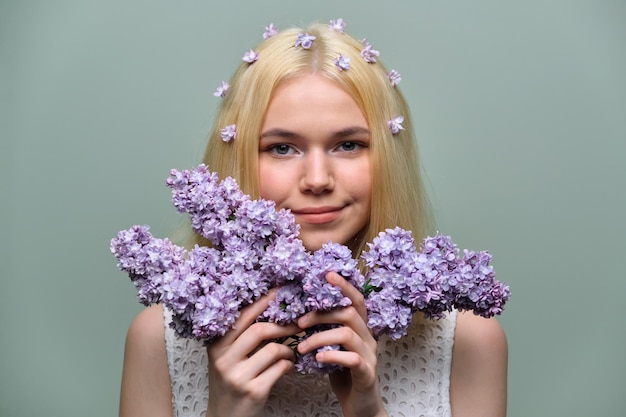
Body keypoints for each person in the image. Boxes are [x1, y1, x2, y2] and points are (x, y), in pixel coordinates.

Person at [119, 20, 508, 417]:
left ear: (388, 158)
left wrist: (369, 412)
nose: (318, 179)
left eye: (349, 144)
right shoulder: (159, 341)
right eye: (283, 148)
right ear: (237, 160)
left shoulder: (468, 343)